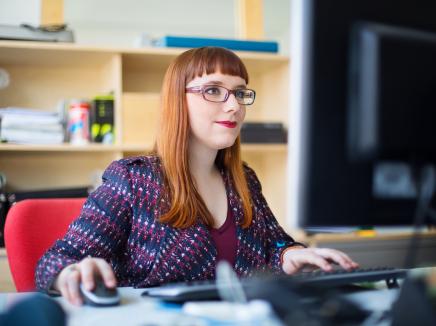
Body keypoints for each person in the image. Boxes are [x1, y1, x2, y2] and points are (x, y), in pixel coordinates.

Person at [35, 47, 358, 305]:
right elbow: (56, 261)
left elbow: (274, 245)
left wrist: (292, 255)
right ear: (178, 101)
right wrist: (72, 273)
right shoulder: (134, 179)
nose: (234, 106)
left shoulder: (243, 179)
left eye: (240, 93)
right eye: (214, 90)